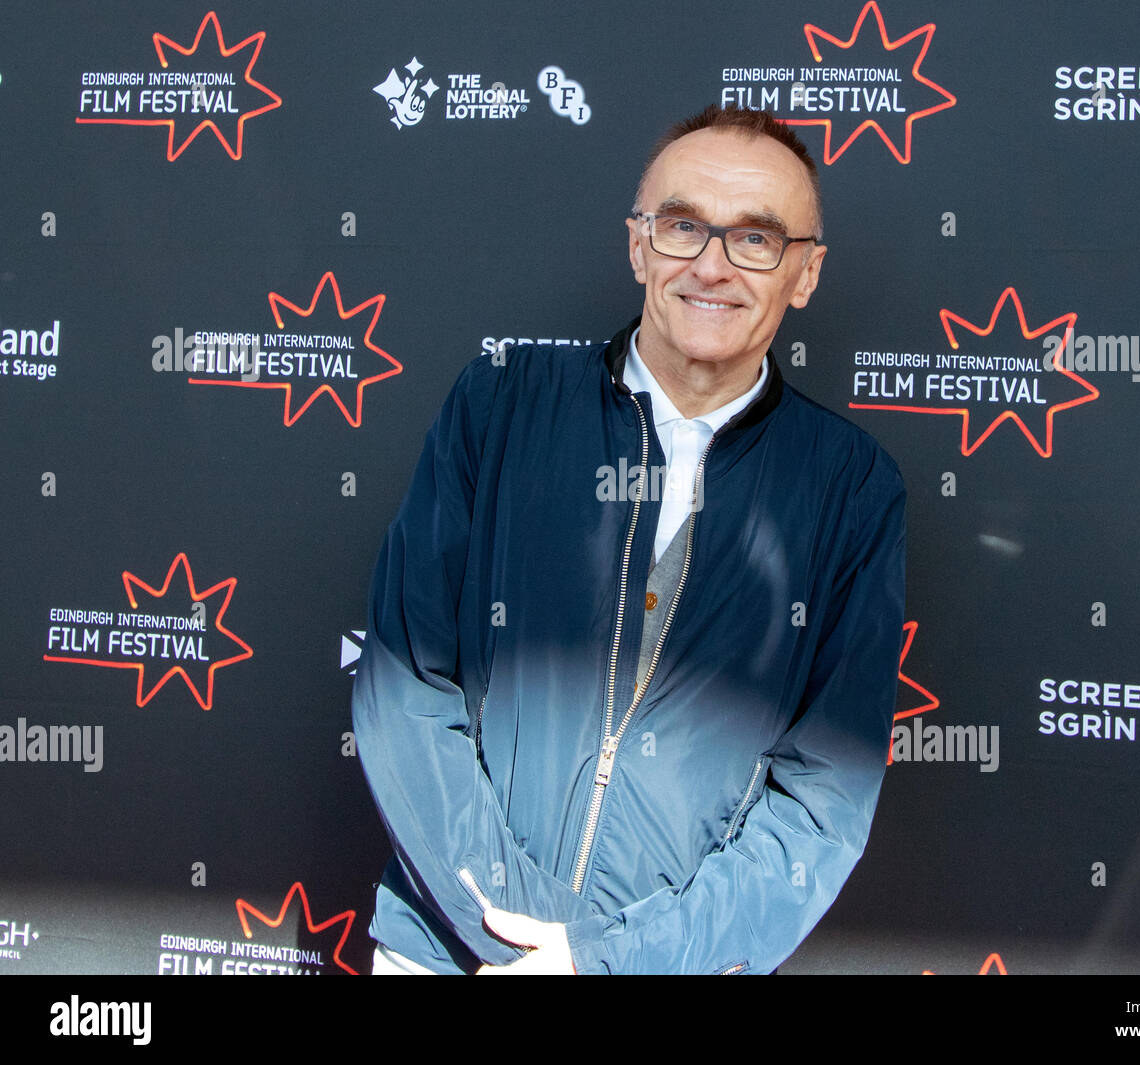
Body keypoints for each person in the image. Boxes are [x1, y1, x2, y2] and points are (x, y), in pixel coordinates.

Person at [352, 104, 906, 975]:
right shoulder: (500, 403)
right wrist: (516, 931)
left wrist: (609, 958)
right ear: (640, 245)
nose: (712, 265)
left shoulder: (853, 488)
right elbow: (404, 678)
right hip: (447, 950)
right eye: (684, 227)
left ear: (805, 273)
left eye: (756, 239)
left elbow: (822, 798)